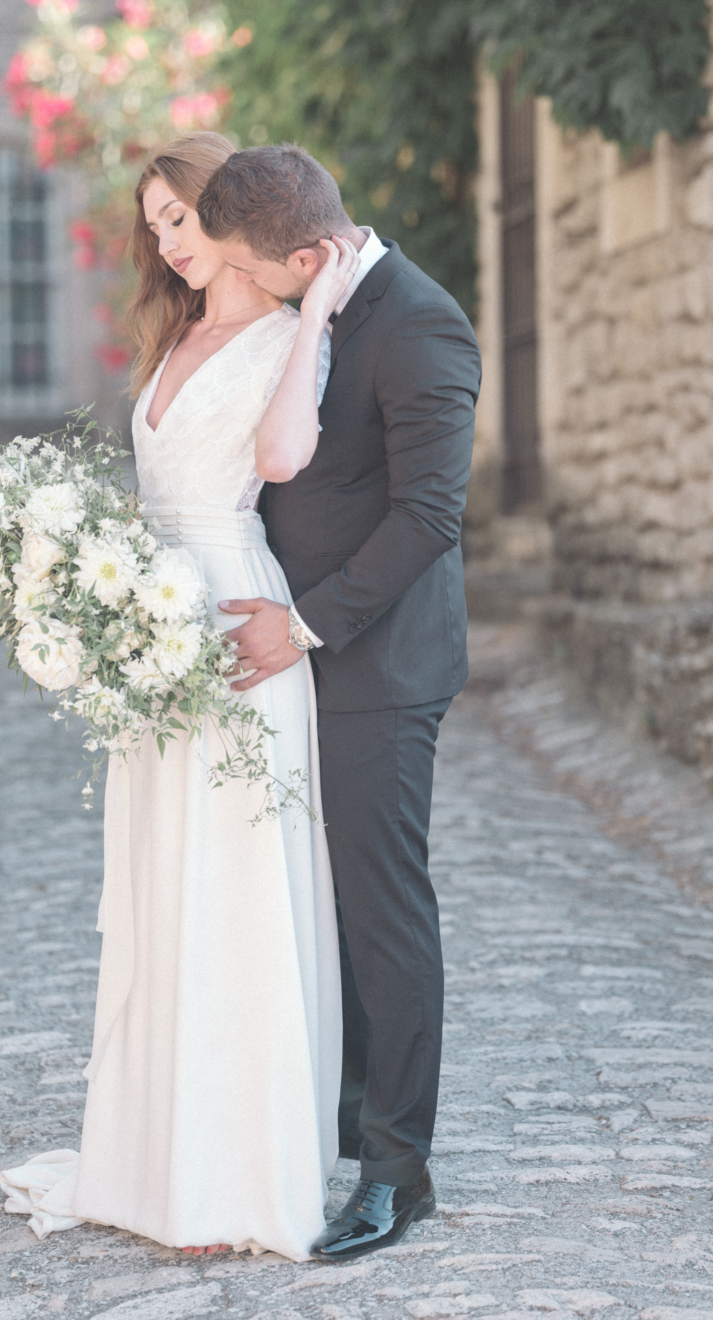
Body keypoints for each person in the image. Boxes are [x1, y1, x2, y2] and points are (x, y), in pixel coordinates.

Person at [0, 132, 357, 1262]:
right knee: (161, 876)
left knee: (235, 878)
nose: (167, 238)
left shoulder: (289, 336)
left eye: (181, 215)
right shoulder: (174, 335)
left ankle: (238, 1171)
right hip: (151, 622)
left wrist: (319, 320)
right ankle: (158, 1155)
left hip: (234, 620)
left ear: (229, 216)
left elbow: (287, 457)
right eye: (151, 222)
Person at [197, 144, 481, 1261]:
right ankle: (333, 1117)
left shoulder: (421, 326)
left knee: (381, 908)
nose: (252, 293)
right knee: (320, 905)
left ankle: (396, 1172)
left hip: (379, 667)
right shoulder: (312, 301)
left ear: (307, 254)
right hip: (292, 653)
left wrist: (303, 626)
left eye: (258, 274)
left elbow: (428, 518)